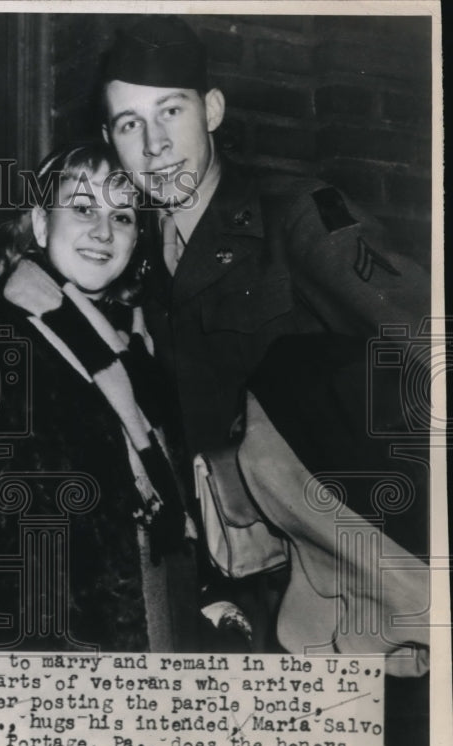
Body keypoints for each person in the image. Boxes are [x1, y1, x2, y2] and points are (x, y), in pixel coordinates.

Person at [98, 14, 430, 455]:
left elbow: (427, 344)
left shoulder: (296, 213)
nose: (153, 143)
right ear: (110, 141)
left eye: (171, 111)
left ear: (211, 110)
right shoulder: (133, 254)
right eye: (129, 123)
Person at [0, 142, 199, 652]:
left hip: (154, 627)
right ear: (41, 225)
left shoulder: (139, 355)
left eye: (123, 216)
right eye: (82, 209)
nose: (103, 232)